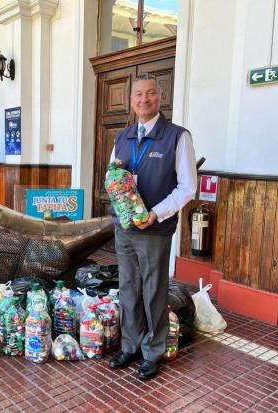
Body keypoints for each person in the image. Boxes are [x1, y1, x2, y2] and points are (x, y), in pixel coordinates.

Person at [108, 73, 197, 379]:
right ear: (131, 101)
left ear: (160, 97)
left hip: (154, 230)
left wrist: (156, 214)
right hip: (124, 228)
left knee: (154, 291)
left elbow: (187, 187)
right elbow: (113, 179)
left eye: (150, 93)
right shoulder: (122, 139)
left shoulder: (177, 136)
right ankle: (130, 346)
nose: (143, 99)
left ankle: (153, 350)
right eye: (138, 95)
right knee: (128, 288)